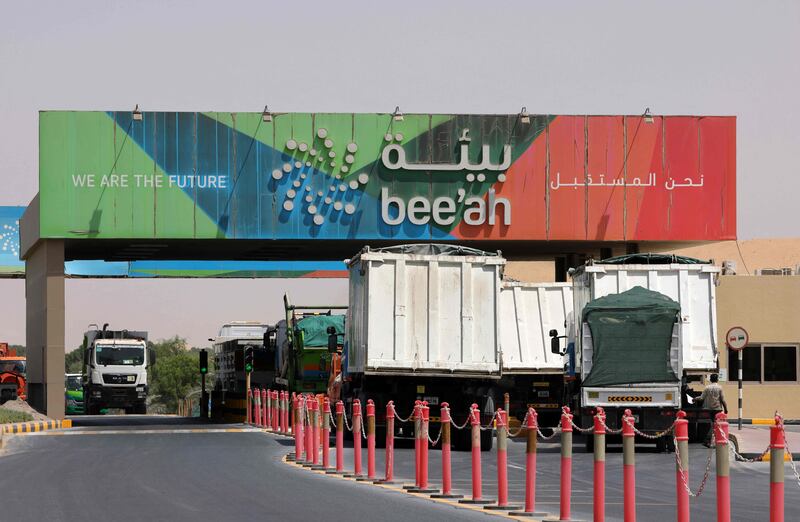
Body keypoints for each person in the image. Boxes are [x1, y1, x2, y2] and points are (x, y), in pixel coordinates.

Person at [700, 373, 728, 447]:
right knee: (717, 425)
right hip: (718, 409)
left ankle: (711, 440)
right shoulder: (719, 388)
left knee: (713, 424)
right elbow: (722, 400)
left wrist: (694, 399)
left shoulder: (707, 388)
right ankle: (708, 440)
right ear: (717, 379)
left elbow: (701, 398)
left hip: (710, 409)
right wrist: (726, 409)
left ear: (710, 380)